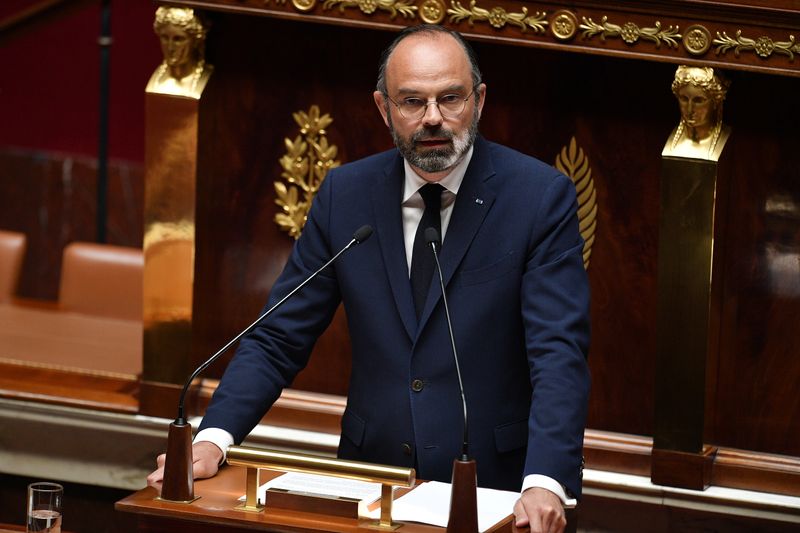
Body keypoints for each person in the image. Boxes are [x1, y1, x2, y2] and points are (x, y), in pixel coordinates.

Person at [148, 24, 590, 533]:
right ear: (383, 108)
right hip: (369, 487)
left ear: (479, 100)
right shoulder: (346, 194)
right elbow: (277, 337)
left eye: (450, 99)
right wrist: (211, 438)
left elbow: (559, 354)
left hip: (498, 494)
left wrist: (546, 481)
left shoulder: (538, 198)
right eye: (411, 101)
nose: (433, 119)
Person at [664, 65, 730, 160]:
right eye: (684, 99)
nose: (690, 109)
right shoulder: (670, 141)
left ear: (716, 101)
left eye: (698, 100)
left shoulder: (726, 137)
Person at [146, 7, 212, 99]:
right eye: (165, 38)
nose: (170, 47)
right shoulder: (156, 81)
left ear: (196, 41)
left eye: (178, 39)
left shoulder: (207, 78)